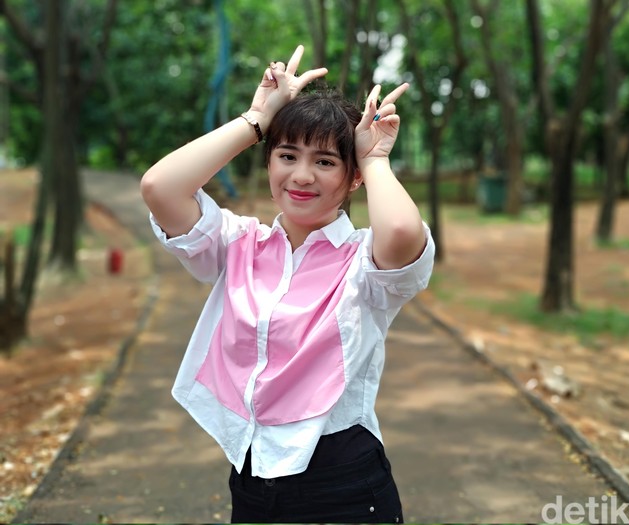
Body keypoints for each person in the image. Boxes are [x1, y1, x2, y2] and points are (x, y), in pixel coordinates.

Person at [141, 44, 435, 523]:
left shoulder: (363, 262)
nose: (301, 176)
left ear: (352, 178)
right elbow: (160, 187)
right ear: (269, 163)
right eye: (287, 155)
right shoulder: (239, 244)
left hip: (343, 483)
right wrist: (257, 119)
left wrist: (375, 158)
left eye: (325, 162)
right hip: (251, 478)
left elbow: (402, 231)